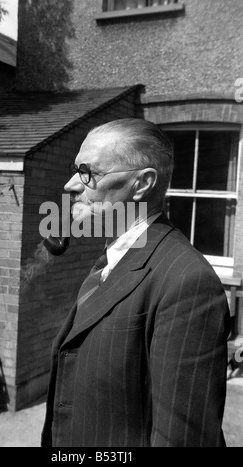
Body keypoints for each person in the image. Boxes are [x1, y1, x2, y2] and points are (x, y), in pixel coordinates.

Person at [41, 118, 230, 447]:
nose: (71, 184)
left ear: (142, 184)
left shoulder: (187, 282)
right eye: (76, 169)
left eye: (88, 173)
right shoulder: (112, 260)